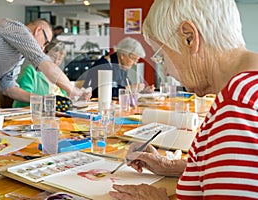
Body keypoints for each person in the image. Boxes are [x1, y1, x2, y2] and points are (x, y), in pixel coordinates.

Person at [109, 0, 258, 199]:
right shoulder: (246, 90)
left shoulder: (238, 108)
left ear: (189, 37)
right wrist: (172, 166)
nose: (166, 71)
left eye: (162, 56)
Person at [0, 18, 88, 102]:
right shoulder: (19, 29)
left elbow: (8, 88)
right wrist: (72, 90)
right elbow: (45, 63)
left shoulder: (17, 55)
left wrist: (42, 100)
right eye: (45, 43)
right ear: (38, 31)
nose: (43, 49)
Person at [82, 37, 154, 98]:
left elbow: (127, 85)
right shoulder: (103, 65)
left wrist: (141, 90)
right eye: (134, 59)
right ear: (123, 55)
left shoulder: (122, 67)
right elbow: (107, 92)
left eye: (137, 60)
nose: (135, 63)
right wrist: (130, 88)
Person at [13, 40, 67, 108]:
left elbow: (66, 97)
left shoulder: (59, 76)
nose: (56, 61)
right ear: (44, 53)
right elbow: (22, 98)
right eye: (53, 56)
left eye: (59, 59)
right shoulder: (31, 71)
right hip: (30, 113)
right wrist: (43, 100)